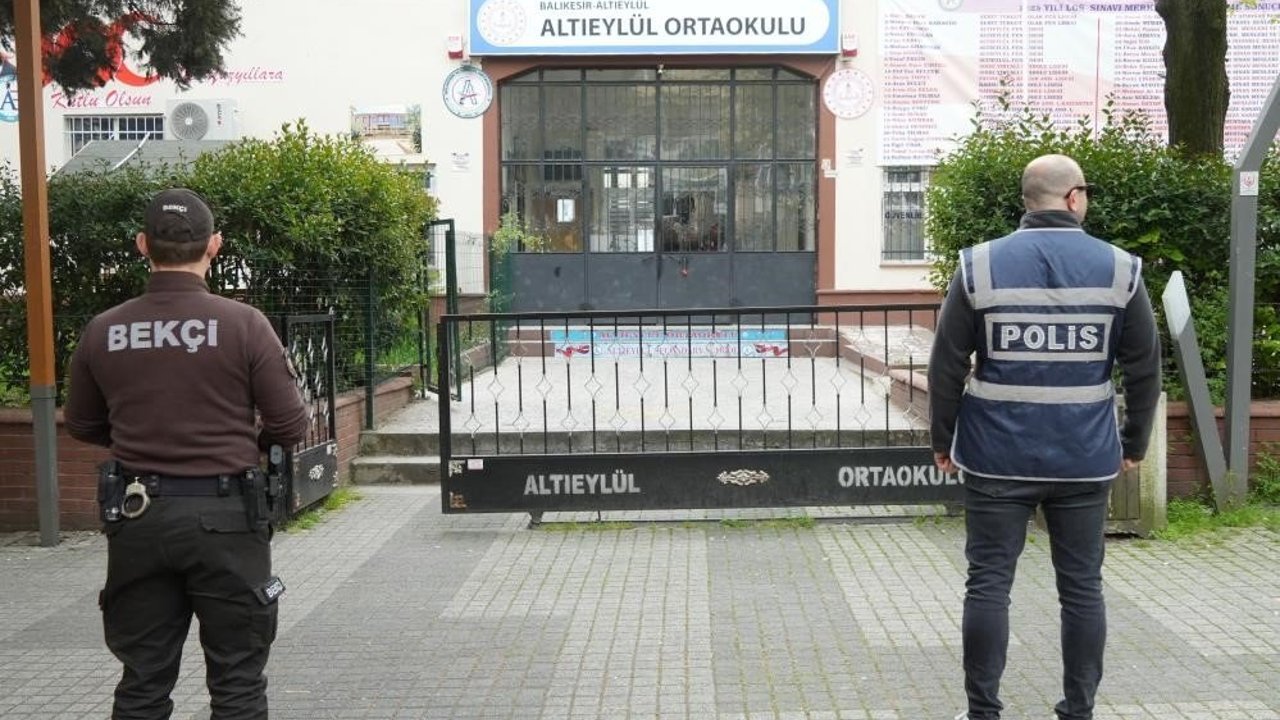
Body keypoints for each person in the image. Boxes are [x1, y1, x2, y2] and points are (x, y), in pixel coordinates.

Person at [927, 154, 1161, 720]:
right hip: (1083, 458)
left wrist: (943, 439)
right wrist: (1133, 443)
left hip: (995, 457)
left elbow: (946, 363)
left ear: (1027, 200)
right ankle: (1078, 711)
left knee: (988, 585)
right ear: (1074, 197)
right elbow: (1144, 367)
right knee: (1081, 588)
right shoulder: (1120, 269)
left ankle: (983, 713)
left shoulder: (979, 265)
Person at [65, 188, 309, 720]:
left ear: (142, 245)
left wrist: (139, 441)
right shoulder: (244, 325)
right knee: (238, 683)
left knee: (143, 684)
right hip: (229, 519)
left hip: (138, 518)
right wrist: (248, 445)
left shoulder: (104, 329)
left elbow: (81, 423)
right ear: (214, 245)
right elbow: (291, 426)